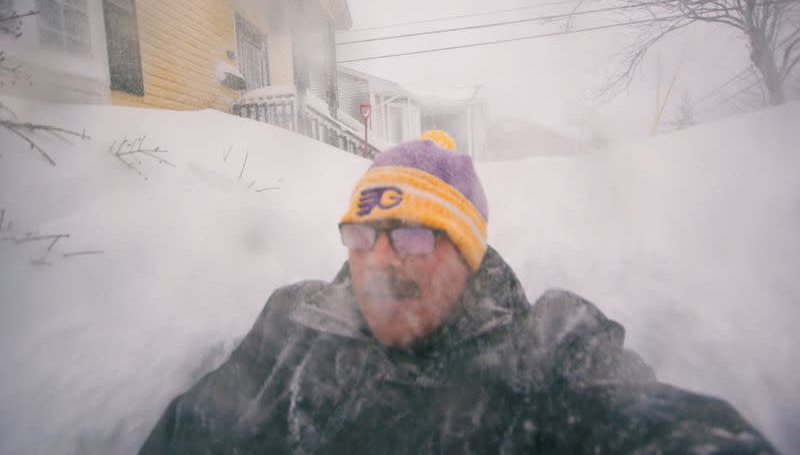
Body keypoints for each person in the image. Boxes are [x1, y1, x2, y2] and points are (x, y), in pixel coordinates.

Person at [139, 130, 776, 454]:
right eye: (362, 235)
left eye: (413, 237)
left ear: (467, 256)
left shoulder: (546, 348)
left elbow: (660, 426)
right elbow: (191, 432)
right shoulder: (294, 324)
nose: (380, 260)